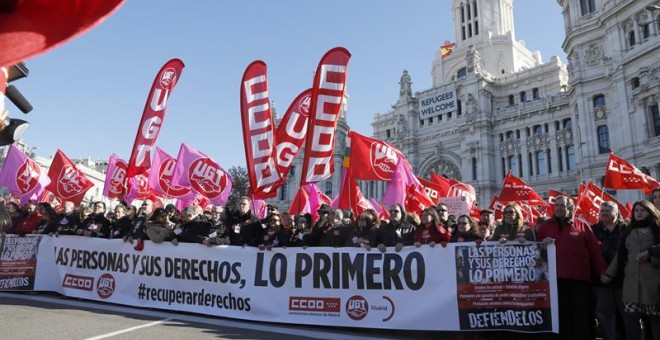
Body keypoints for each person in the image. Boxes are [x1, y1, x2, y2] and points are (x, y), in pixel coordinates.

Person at [537, 196, 606, 339]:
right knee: (560, 315)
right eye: (557, 205)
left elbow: (594, 251)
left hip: (578, 280)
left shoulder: (582, 225)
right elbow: (536, 251)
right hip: (555, 281)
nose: (559, 208)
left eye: (563, 205)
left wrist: (602, 271)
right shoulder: (545, 226)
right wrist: (541, 244)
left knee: (580, 315)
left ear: (570, 208)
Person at [604, 200, 660, 340]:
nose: (639, 213)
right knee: (631, 321)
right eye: (636, 211)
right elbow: (621, 254)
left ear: (650, 211)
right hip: (631, 283)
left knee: (655, 321)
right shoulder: (629, 230)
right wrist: (608, 273)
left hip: (652, 282)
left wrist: (650, 255)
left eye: (643, 210)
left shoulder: (657, 229)